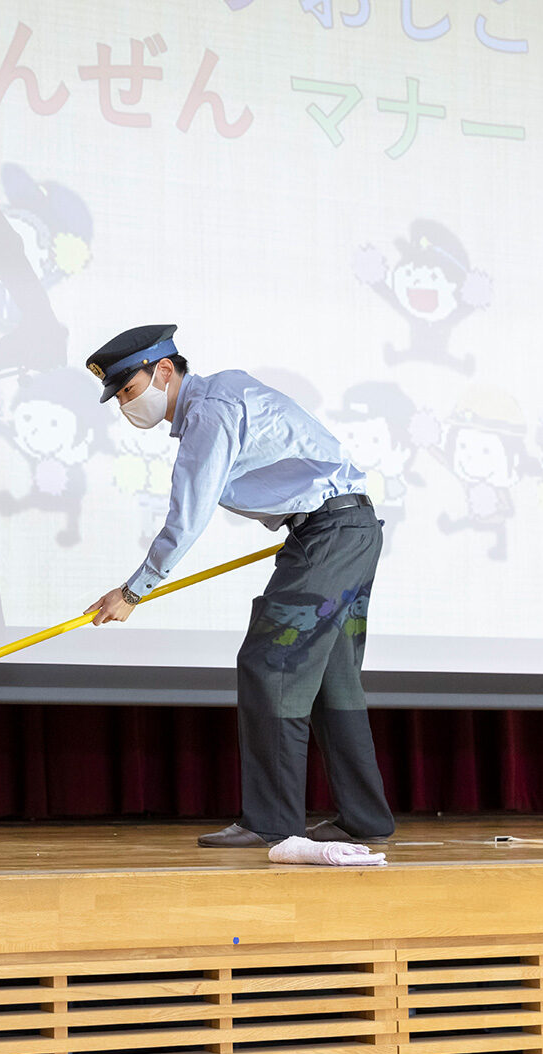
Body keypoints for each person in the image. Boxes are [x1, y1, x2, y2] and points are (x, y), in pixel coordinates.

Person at [82, 325, 395, 847]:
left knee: (271, 665)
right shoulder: (225, 395)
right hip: (343, 531)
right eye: (118, 400)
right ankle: (366, 819)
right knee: (332, 680)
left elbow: (189, 514)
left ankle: (271, 821)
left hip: (330, 534)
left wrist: (134, 590)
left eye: (129, 391)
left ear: (163, 370)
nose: (126, 406)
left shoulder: (210, 411)